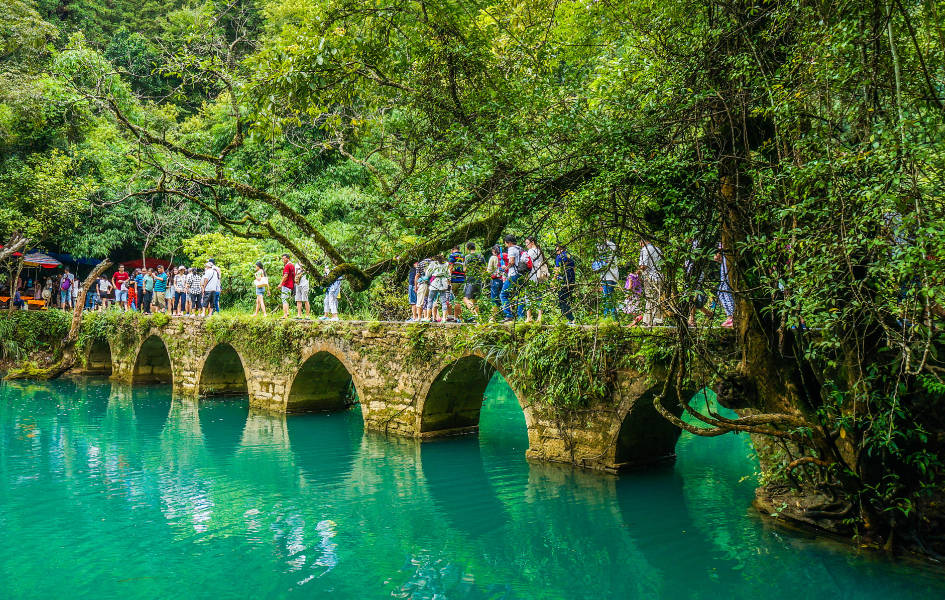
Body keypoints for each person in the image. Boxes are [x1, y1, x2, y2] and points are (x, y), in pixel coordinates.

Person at [500, 234, 526, 321]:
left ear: (509, 243)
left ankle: (508, 315)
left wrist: (506, 268)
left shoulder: (511, 249)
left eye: (506, 243)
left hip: (513, 274)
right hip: (521, 274)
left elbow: (511, 261)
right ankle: (521, 317)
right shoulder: (520, 248)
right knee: (520, 295)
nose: (506, 245)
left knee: (503, 294)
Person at [523, 236, 549, 322]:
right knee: (539, 296)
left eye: (527, 243)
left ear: (532, 242)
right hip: (539, 276)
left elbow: (525, 263)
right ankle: (539, 317)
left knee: (528, 295)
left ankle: (529, 317)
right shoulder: (539, 251)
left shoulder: (530, 252)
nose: (526, 245)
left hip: (531, 275)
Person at [638, 239, 663, 326]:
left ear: (643, 241)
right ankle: (657, 320)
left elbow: (643, 265)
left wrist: (637, 274)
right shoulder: (658, 249)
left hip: (650, 277)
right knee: (657, 298)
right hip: (659, 276)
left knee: (649, 298)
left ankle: (647, 321)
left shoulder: (645, 249)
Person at [595, 240, 619, 316]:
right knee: (610, 296)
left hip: (608, 277)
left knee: (607, 297)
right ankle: (611, 316)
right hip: (613, 276)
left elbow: (604, 263)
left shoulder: (607, 247)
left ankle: (608, 316)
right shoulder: (612, 245)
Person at [462, 242, 485, 320]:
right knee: (475, 300)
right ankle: (477, 320)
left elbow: (464, 269)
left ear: (467, 249)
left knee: (465, 299)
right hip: (479, 279)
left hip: (470, 279)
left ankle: (476, 316)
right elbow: (484, 269)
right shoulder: (481, 256)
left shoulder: (467, 257)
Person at [425, 254, 451, 322]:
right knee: (444, 301)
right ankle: (444, 318)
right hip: (443, 283)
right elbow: (448, 275)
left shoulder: (433, 263)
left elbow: (428, 274)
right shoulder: (446, 264)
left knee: (430, 299)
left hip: (434, 283)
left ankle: (428, 317)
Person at [554, 245, 576, 323]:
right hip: (571, 279)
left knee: (562, 299)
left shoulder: (559, 257)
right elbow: (574, 268)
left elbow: (557, 270)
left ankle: (571, 319)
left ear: (561, 250)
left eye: (557, 251)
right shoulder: (569, 256)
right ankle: (570, 319)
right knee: (568, 298)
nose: (556, 253)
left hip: (563, 280)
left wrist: (553, 281)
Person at [716, 245, 735, 328]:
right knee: (720, 291)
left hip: (729, 258)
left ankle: (733, 316)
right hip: (724, 258)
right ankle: (729, 316)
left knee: (726, 289)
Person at [447, 245, 465, 322]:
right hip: (462, 279)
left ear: (452, 249)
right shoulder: (463, 256)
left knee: (449, 298)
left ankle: (450, 316)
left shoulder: (452, 256)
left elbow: (450, 267)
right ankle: (457, 318)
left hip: (454, 279)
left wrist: (448, 279)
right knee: (458, 300)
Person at [487, 245, 503, 316]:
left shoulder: (493, 258)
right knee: (504, 297)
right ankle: (506, 315)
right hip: (503, 280)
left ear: (493, 251)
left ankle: (494, 316)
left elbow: (489, 270)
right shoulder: (503, 257)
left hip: (495, 279)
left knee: (494, 298)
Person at [414, 258, 431, 322]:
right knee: (430, 301)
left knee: (419, 301)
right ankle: (428, 317)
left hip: (423, 284)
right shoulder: (433, 263)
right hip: (432, 284)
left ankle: (419, 317)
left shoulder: (420, 264)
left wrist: (415, 286)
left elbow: (417, 275)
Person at [279, 253, 295, 319]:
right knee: (286, 299)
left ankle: (285, 315)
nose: (283, 260)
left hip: (286, 284)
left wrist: (280, 283)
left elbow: (285, 276)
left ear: (287, 258)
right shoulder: (292, 265)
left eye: (284, 258)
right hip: (291, 285)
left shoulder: (287, 266)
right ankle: (287, 312)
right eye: (282, 258)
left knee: (284, 300)